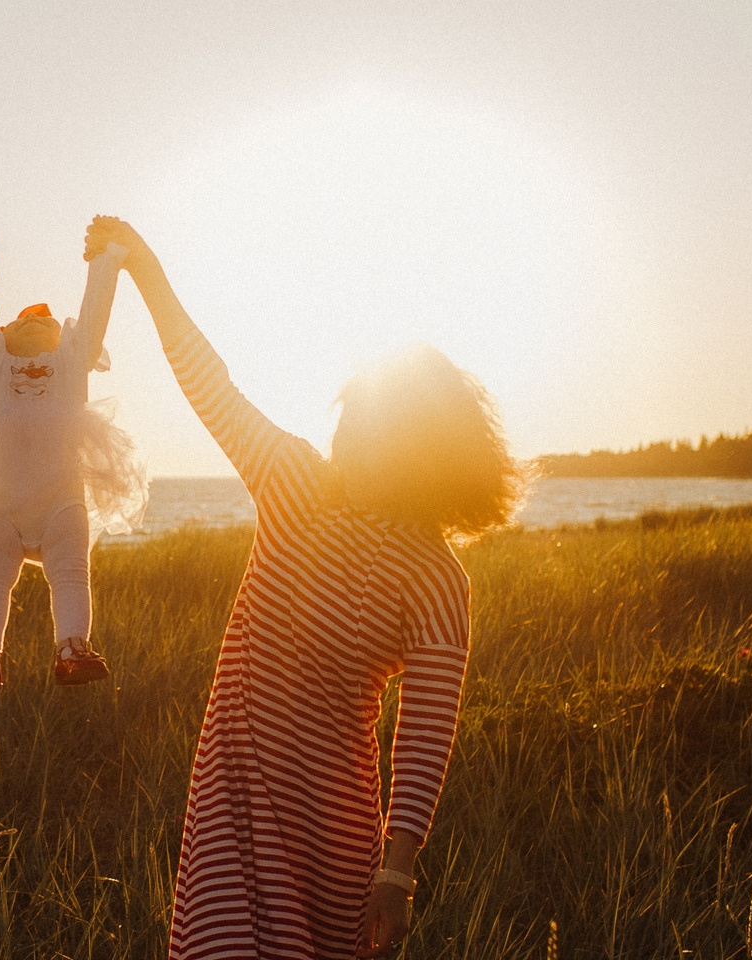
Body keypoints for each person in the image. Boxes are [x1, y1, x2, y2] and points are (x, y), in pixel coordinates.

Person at [84, 216, 525, 960]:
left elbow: (424, 735)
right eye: (351, 419)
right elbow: (208, 381)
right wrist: (148, 274)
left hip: (334, 835)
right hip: (233, 804)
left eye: (370, 425)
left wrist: (398, 872)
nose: (348, 435)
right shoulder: (292, 483)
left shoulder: (437, 577)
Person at [0, 239, 147, 691]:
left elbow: (95, 311)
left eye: (46, 320)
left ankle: (73, 649)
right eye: (25, 320)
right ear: (3, 337)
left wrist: (106, 259)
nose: (37, 321)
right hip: (2, 510)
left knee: (72, 573)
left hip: (62, 505)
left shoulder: (72, 361)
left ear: (64, 336)